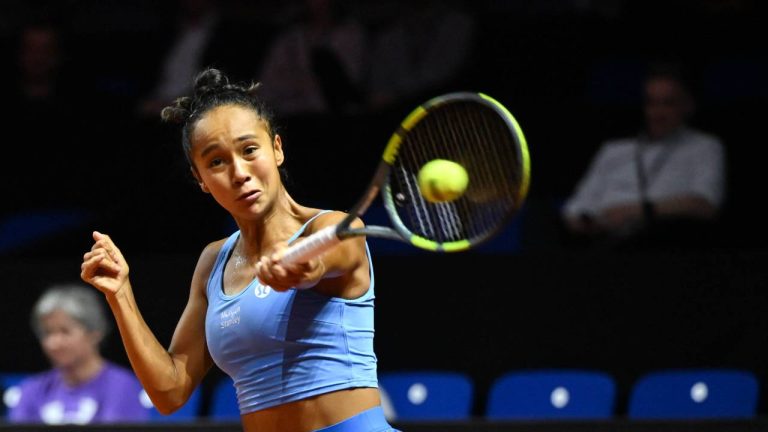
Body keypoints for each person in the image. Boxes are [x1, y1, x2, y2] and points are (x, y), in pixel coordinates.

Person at [80, 68, 398, 432]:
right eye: (216, 161)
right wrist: (121, 294)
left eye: (250, 150)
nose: (239, 172)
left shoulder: (333, 229)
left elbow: (324, 262)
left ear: (276, 149)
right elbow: (170, 391)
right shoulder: (213, 262)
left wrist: (298, 268)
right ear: (200, 179)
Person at [561, 65, 726, 246]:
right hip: (601, 242)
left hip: (666, 243)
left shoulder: (704, 147)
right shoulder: (614, 150)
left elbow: (705, 205)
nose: (658, 112)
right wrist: (584, 223)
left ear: (688, 105)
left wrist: (636, 211)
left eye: (668, 103)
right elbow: (575, 207)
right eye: (652, 102)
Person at [8, 284, 148, 424]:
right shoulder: (31, 390)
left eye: (65, 331)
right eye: (47, 333)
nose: (54, 343)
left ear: (95, 333)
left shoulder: (122, 387)